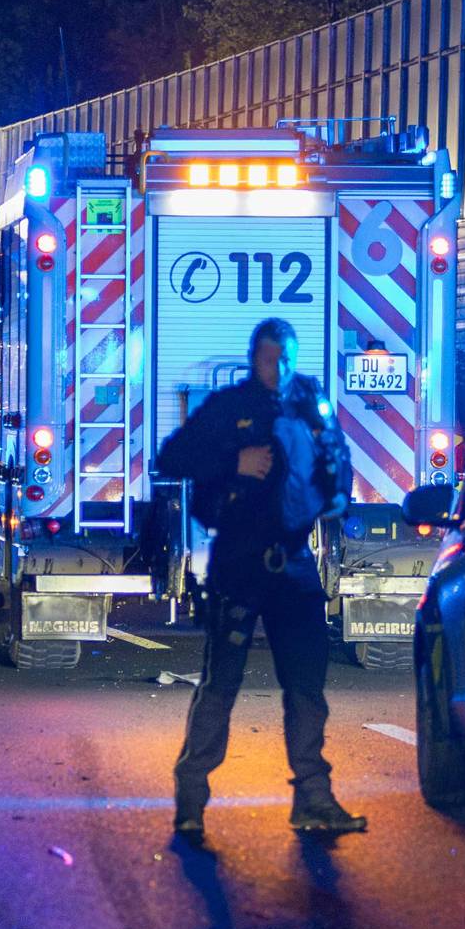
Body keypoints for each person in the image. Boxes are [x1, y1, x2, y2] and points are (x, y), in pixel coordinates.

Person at [156, 317, 367, 842]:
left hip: (294, 562)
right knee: (222, 683)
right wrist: (235, 461)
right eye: (274, 359)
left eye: (289, 358)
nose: (283, 368)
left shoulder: (308, 402)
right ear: (256, 359)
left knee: (307, 688)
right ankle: (191, 800)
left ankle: (314, 800)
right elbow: (173, 456)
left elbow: (335, 457)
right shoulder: (230, 408)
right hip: (240, 562)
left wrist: (337, 492)